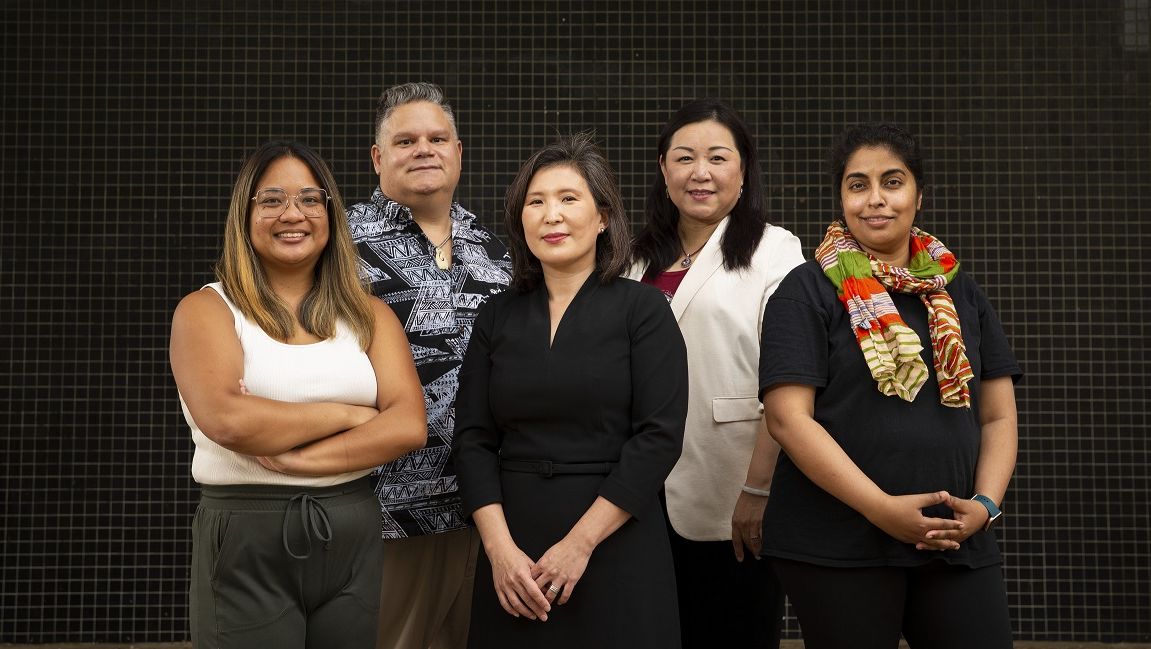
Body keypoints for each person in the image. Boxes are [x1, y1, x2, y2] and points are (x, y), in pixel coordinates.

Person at [757, 122, 1021, 649]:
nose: (874, 199)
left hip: (953, 538)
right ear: (841, 197)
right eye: (857, 185)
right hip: (837, 544)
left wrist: (986, 505)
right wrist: (881, 508)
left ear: (918, 196)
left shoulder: (957, 290)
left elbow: (997, 415)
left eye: (892, 182)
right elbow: (788, 418)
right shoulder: (807, 289)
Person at [169, 140, 428, 648]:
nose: (294, 213)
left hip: (352, 529)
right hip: (249, 534)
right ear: (245, 214)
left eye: (311, 199)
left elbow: (408, 425)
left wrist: (298, 459)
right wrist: (353, 414)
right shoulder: (207, 311)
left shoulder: (368, 314)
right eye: (272, 200)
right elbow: (228, 421)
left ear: (330, 213)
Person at [452, 133, 689, 649]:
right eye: (535, 202)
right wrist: (499, 552)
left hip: (615, 539)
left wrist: (579, 545)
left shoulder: (643, 310)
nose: (551, 215)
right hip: (515, 549)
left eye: (568, 198)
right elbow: (471, 439)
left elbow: (659, 437)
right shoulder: (497, 314)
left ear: (603, 217)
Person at [627, 98, 804, 648]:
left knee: (734, 629)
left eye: (717, 158)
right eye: (684, 157)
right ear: (663, 169)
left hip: (730, 481)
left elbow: (788, 380)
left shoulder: (775, 250)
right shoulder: (634, 258)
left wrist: (759, 488)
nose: (700, 172)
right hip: (637, 485)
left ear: (743, 170)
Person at [346, 81, 511, 649]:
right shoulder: (339, 243)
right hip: (381, 503)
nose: (424, 149)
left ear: (459, 152)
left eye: (438, 138)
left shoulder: (493, 248)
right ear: (378, 157)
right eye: (406, 140)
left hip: (484, 502)